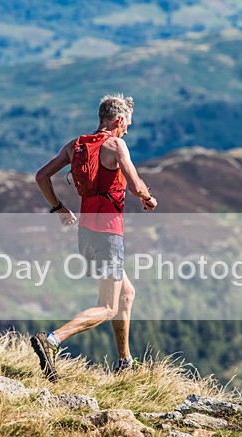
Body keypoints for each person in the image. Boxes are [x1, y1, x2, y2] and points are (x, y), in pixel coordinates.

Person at [31, 94, 157, 381]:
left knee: (126, 294)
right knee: (107, 306)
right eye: (127, 125)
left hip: (86, 234)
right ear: (119, 120)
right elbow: (136, 186)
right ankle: (51, 340)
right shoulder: (116, 145)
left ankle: (125, 362)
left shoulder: (75, 146)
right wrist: (149, 198)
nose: (127, 130)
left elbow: (41, 176)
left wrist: (59, 208)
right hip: (108, 234)